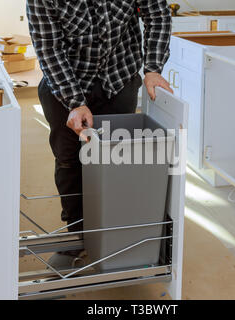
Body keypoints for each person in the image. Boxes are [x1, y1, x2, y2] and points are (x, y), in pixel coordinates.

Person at [27, 0, 173, 267]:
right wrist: (74, 100)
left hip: (118, 78)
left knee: (117, 161)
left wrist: (153, 68)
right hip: (66, 81)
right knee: (70, 160)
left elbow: (157, 14)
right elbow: (49, 49)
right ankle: (76, 236)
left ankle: (117, 235)